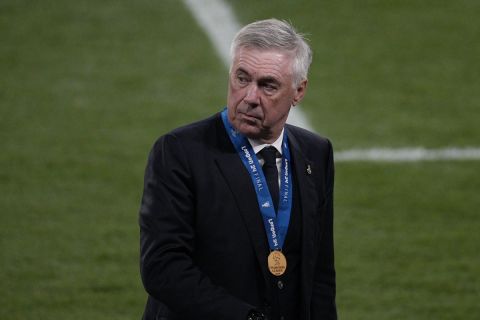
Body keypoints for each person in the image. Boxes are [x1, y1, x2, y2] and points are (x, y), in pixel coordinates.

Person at [139, 19, 337, 320]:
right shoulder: (179, 152)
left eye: (267, 85)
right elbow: (163, 267)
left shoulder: (315, 154)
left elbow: (319, 273)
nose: (249, 97)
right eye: (242, 79)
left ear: (298, 91)